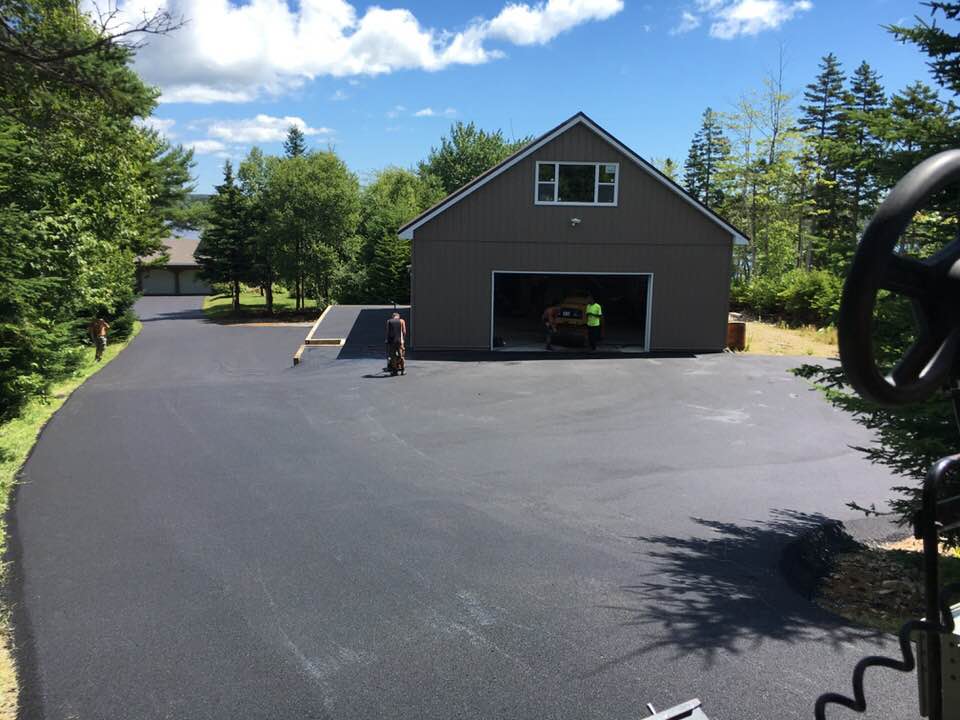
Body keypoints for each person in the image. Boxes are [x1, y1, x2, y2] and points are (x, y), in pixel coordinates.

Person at [385, 312, 407, 376]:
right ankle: (403, 370)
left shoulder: (389, 321)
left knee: (393, 356)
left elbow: (387, 332)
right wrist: (403, 340)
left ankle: (395, 371)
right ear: (398, 316)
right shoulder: (402, 321)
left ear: (393, 316)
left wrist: (387, 340)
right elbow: (404, 331)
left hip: (392, 342)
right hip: (400, 341)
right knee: (401, 355)